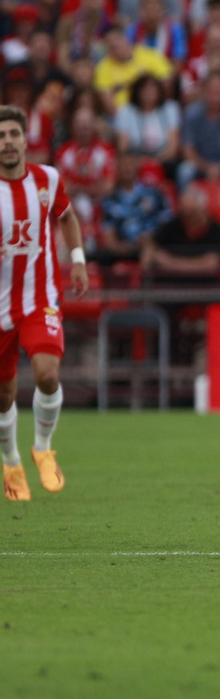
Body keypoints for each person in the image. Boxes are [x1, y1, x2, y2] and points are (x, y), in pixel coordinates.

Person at [0, 106, 90, 502]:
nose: (7, 142)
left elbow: (67, 218)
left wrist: (78, 260)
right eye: (1, 136)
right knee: (3, 395)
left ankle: (42, 448)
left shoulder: (47, 179)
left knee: (48, 375)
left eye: (13, 134)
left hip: (41, 299)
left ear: (24, 138)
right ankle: (12, 461)